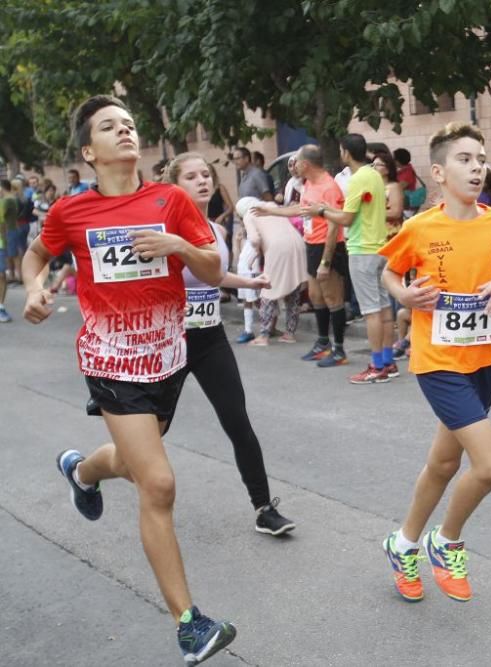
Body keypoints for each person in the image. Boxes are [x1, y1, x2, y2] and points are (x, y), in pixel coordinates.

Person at [21, 95, 236, 664]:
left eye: (131, 125)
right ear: (89, 151)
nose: (126, 132)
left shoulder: (170, 200)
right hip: (109, 359)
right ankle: (190, 624)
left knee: (131, 460)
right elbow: (35, 255)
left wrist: (180, 245)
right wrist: (37, 288)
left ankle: (82, 470)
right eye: (110, 127)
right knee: (158, 483)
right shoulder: (71, 211)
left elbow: (213, 270)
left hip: (168, 357)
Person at [378, 122, 491, 603]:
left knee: (445, 462)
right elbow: (388, 271)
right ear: (439, 173)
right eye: (465, 160)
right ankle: (444, 542)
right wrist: (404, 293)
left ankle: (402, 544)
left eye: (480, 159)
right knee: (490, 466)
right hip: (438, 360)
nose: (476, 167)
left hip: (485, 356)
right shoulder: (420, 228)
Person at [165, 152, 297, 534]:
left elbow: (215, 275)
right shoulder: (164, 231)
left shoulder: (216, 231)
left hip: (209, 339)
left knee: (238, 422)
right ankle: (88, 469)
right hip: (168, 341)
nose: (203, 181)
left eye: (206, 174)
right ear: (175, 186)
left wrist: (249, 282)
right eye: (191, 176)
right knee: (153, 431)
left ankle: (264, 509)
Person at [263, 145, 351, 366]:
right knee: (315, 296)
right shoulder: (309, 184)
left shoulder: (329, 187)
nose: (293, 167)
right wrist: (270, 210)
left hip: (328, 246)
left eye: (296, 162)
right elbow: (300, 211)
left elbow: (334, 227)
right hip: (311, 244)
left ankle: (339, 350)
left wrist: (326, 262)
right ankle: (323, 343)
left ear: (306, 164)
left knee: (333, 298)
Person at [316, 134, 393, 384]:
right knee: (383, 309)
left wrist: (321, 211)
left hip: (362, 249)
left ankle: (375, 366)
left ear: (346, 152)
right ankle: (387, 361)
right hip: (380, 247)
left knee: (371, 311)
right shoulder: (375, 175)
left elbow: (347, 219)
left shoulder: (358, 179)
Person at [236, 197, 308, 345]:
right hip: (298, 244)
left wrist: (255, 252)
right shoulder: (270, 205)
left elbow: (255, 240)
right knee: (293, 289)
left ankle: (264, 335)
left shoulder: (250, 214)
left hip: (277, 248)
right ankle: (289, 334)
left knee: (268, 290)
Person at [372, 151, 405, 239]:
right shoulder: (373, 187)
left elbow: (395, 212)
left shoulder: (393, 187)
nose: (374, 168)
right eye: (373, 165)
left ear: (388, 169)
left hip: (390, 234)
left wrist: (370, 213)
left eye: (378, 165)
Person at [0, 179, 15, 322]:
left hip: (0, 245)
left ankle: (1, 307)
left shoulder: (3, 204)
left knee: (2, 276)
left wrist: (5, 244)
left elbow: (3, 226)